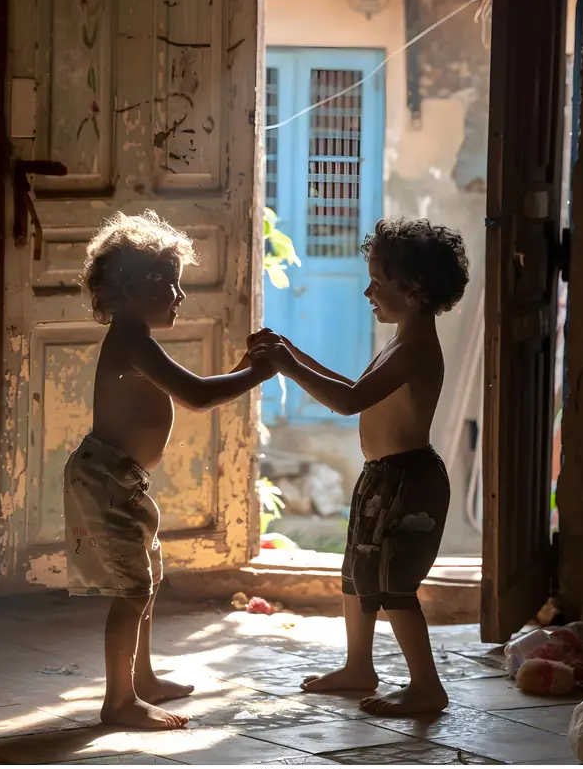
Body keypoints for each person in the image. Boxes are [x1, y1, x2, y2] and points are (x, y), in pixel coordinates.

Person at [248, 216, 469, 716]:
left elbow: (348, 403)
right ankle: (358, 667)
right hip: (383, 478)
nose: (368, 291)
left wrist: (287, 365)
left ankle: (426, 686)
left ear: (413, 290)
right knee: (358, 573)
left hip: (408, 481)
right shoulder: (400, 341)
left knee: (393, 584)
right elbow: (352, 389)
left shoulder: (415, 348)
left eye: (377, 280)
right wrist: (291, 353)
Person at [65, 210, 274, 730]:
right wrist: (258, 373)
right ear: (132, 289)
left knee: (146, 580)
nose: (180, 296)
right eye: (171, 284)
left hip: (121, 479)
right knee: (131, 588)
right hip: (108, 479)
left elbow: (196, 390)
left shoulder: (135, 338)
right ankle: (119, 701)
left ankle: (143, 679)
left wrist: (242, 370)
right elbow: (198, 396)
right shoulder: (132, 341)